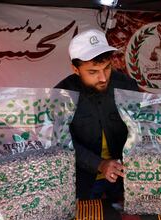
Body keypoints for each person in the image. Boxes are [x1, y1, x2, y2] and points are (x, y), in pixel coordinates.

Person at [55, 28, 138, 201]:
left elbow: (140, 129)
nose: (102, 78)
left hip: (125, 179)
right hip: (82, 182)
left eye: (107, 68)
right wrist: (99, 164)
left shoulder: (127, 86)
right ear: (76, 69)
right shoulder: (62, 94)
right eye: (93, 72)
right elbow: (61, 141)